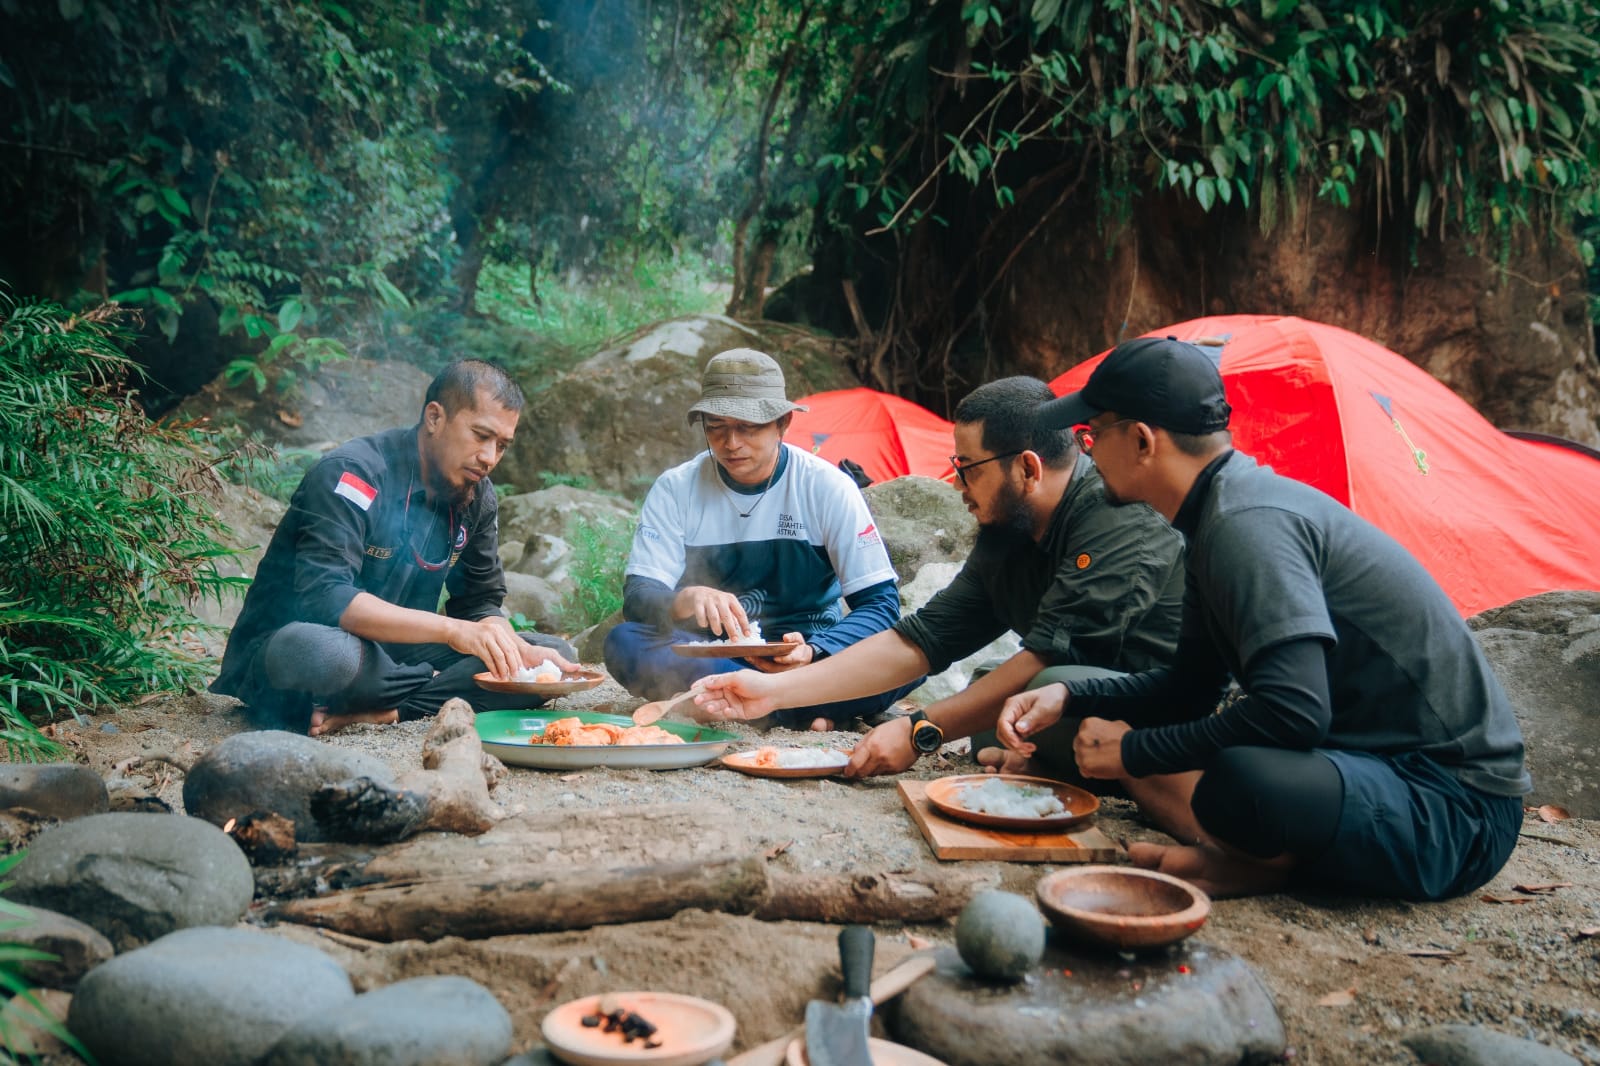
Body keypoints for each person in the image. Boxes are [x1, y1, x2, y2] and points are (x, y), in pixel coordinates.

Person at [994, 336, 1530, 900]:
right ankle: (1259, 865)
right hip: (1374, 772)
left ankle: (1266, 866)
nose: (1087, 453)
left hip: (1458, 809)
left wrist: (1134, 752)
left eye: (1091, 435)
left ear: (1142, 439)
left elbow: (1294, 713)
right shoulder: (1213, 518)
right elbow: (1189, 688)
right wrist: (1073, 701)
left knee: (1241, 783)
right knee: (1188, 751)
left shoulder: (1247, 525)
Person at [689, 376, 1186, 775]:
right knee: (997, 699)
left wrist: (920, 730)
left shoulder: (1117, 516)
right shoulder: (1008, 529)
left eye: (967, 467)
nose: (957, 485)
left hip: (1160, 706)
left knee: (1039, 686)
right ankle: (1041, 759)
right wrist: (771, 691)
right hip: (1063, 700)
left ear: (1028, 470)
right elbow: (923, 640)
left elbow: (1049, 659)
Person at [211, 359, 577, 735]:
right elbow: (327, 596)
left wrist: (513, 648)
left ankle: (389, 709)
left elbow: (479, 603)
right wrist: (453, 633)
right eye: (481, 435)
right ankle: (431, 687)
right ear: (434, 418)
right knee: (324, 654)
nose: (490, 457)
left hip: (394, 654)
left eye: (502, 445)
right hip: (306, 646)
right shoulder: (352, 474)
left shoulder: (477, 495)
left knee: (553, 659)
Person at [602, 348, 917, 730]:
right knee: (624, 642)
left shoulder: (826, 487)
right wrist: (683, 600)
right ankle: (802, 709)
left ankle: (742, 701)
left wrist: (816, 650)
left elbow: (880, 607)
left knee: (909, 661)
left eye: (748, 426)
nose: (731, 442)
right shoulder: (676, 488)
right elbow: (638, 600)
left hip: (808, 658)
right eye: (715, 426)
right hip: (713, 654)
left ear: (782, 422)